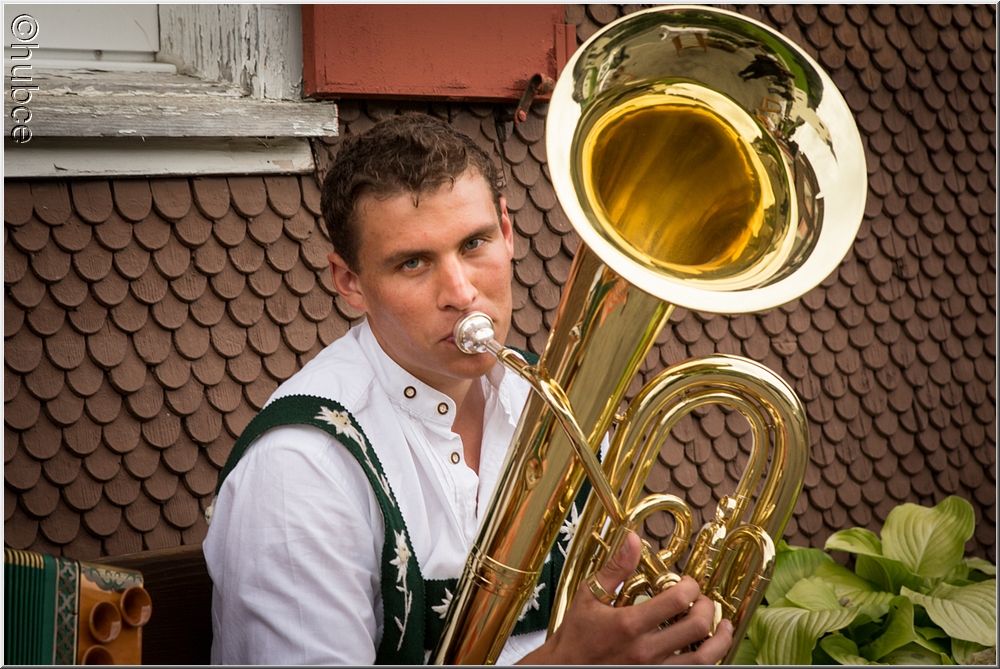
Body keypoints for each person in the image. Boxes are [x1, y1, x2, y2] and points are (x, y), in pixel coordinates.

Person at [203, 112, 733, 665]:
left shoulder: (555, 401)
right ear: (350, 282)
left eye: (474, 243)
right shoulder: (300, 470)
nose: (460, 293)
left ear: (507, 231)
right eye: (413, 263)